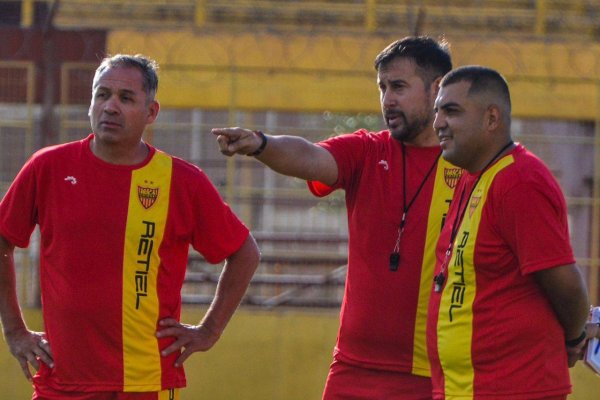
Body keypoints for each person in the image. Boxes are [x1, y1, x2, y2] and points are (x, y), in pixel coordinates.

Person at [0, 54, 260, 399]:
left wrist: (210, 330)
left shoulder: (181, 181)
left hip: (146, 381)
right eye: (102, 95)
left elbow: (244, 253)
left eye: (125, 98)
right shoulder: (47, 167)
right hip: (61, 381)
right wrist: (15, 330)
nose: (110, 107)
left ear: (151, 112)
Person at [213, 36, 455, 399]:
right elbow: (309, 156)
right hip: (352, 369)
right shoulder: (367, 151)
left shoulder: (469, 166)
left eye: (399, 87)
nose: (387, 99)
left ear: (437, 89)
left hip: (433, 375)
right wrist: (262, 144)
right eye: (382, 87)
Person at [428, 65, 589, 399]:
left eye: (452, 111)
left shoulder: (520, 182)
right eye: (437, 111)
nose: (438, 123)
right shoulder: (474, 176)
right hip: (467, 389)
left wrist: (575, 339)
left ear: (491, 118)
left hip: (513, 389)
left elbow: (565, 283)